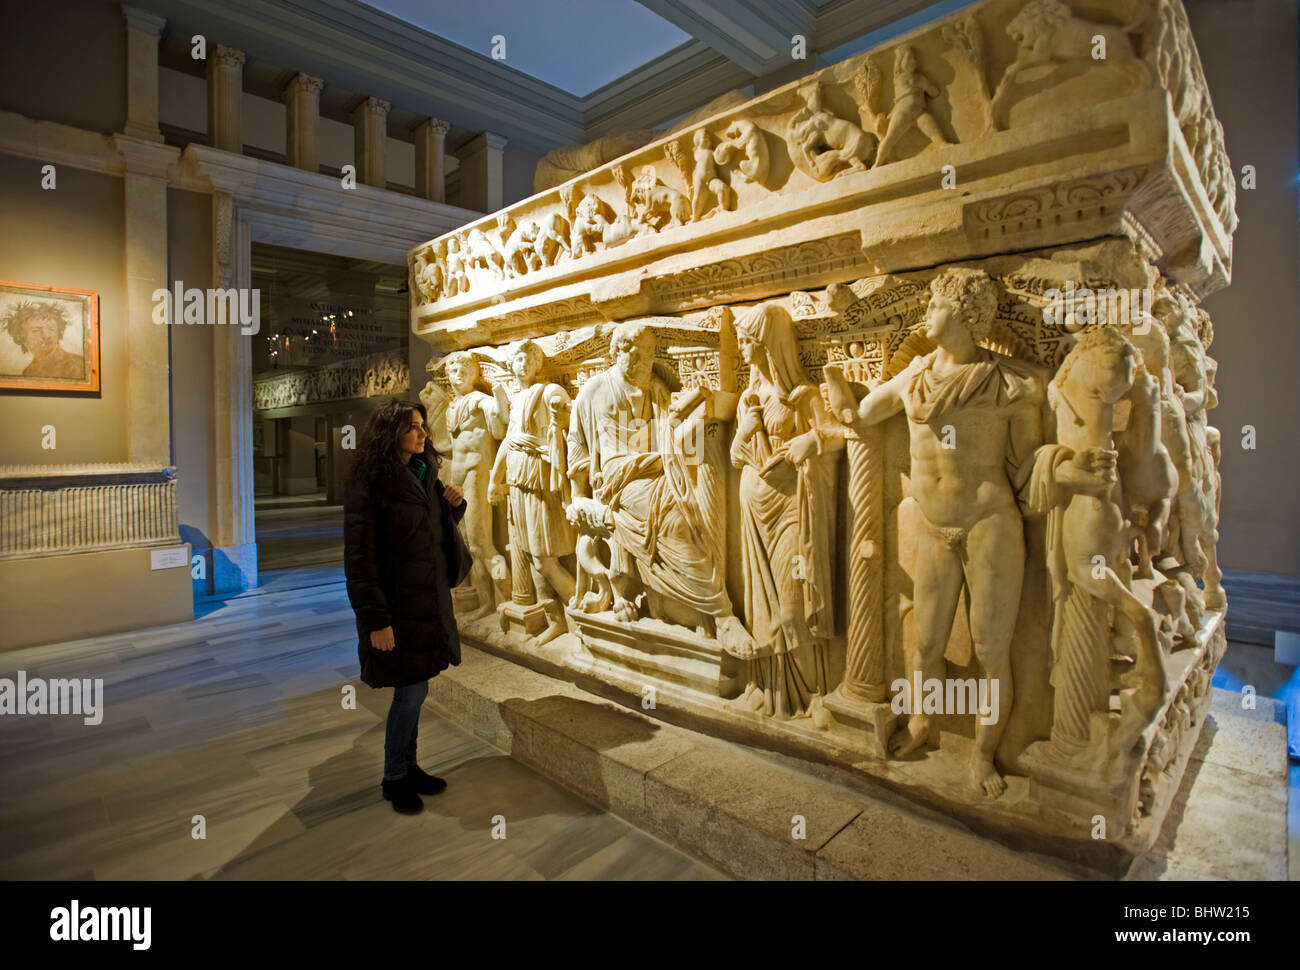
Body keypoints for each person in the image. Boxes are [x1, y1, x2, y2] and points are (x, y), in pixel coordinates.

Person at [343, 400, 467, 814]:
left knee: (417, 685)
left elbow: (433, 529)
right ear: (390, 432)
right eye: (412, 427)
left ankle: (410, 767)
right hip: (396, 606)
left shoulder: (424, 472)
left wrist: (455, 505)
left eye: (422, 426)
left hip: (425, 600)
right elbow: (360, 560)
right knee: (409, 691)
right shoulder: (370, 484)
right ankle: (394, 775)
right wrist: (376, 619)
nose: (422, 434)